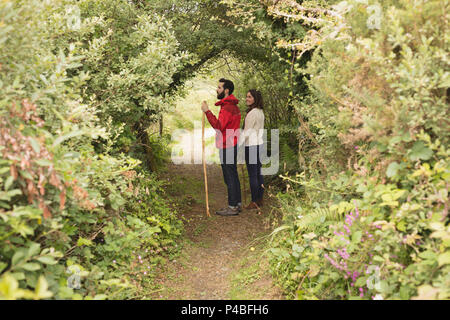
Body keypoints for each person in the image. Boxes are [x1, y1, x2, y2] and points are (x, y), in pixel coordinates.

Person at [201, 78, 242, 216]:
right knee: (233, 174)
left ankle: (232, 207)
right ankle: (237, 204)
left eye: (219, 88)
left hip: (227, 145)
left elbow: (219, 126)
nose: (217, 90)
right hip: (232, 143)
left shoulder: (228, 107)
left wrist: (207, 112)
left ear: (226, 90)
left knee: (229, 176)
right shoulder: (232, 106)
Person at [240, 89, 265, 210]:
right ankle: (259, 198)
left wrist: (239, 145)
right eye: (246, 96)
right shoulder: (260, 112)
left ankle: (254, 201)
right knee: (258, 172)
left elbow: (246, 132)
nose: (247, 99)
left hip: (251, 146)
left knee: (253, 175)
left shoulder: (252, 113)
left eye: (249, 97)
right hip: (259, 145)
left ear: (255, 98)